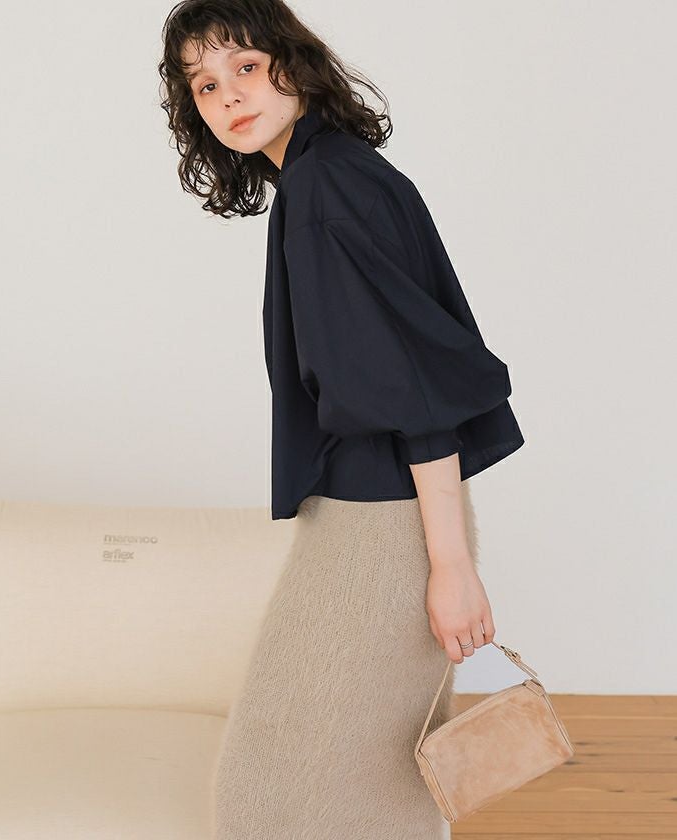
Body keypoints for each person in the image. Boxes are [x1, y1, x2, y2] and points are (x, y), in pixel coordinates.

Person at [158, 1, 525, 837]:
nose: (227, 96)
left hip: (382, 528)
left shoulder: (326, 186)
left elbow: (411, 385)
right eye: (204, 85)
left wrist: (449, 563)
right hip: (387, 515)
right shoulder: (333, 175)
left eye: (246, 67)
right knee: (377, 778)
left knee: (268, 786)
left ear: (294, 63)